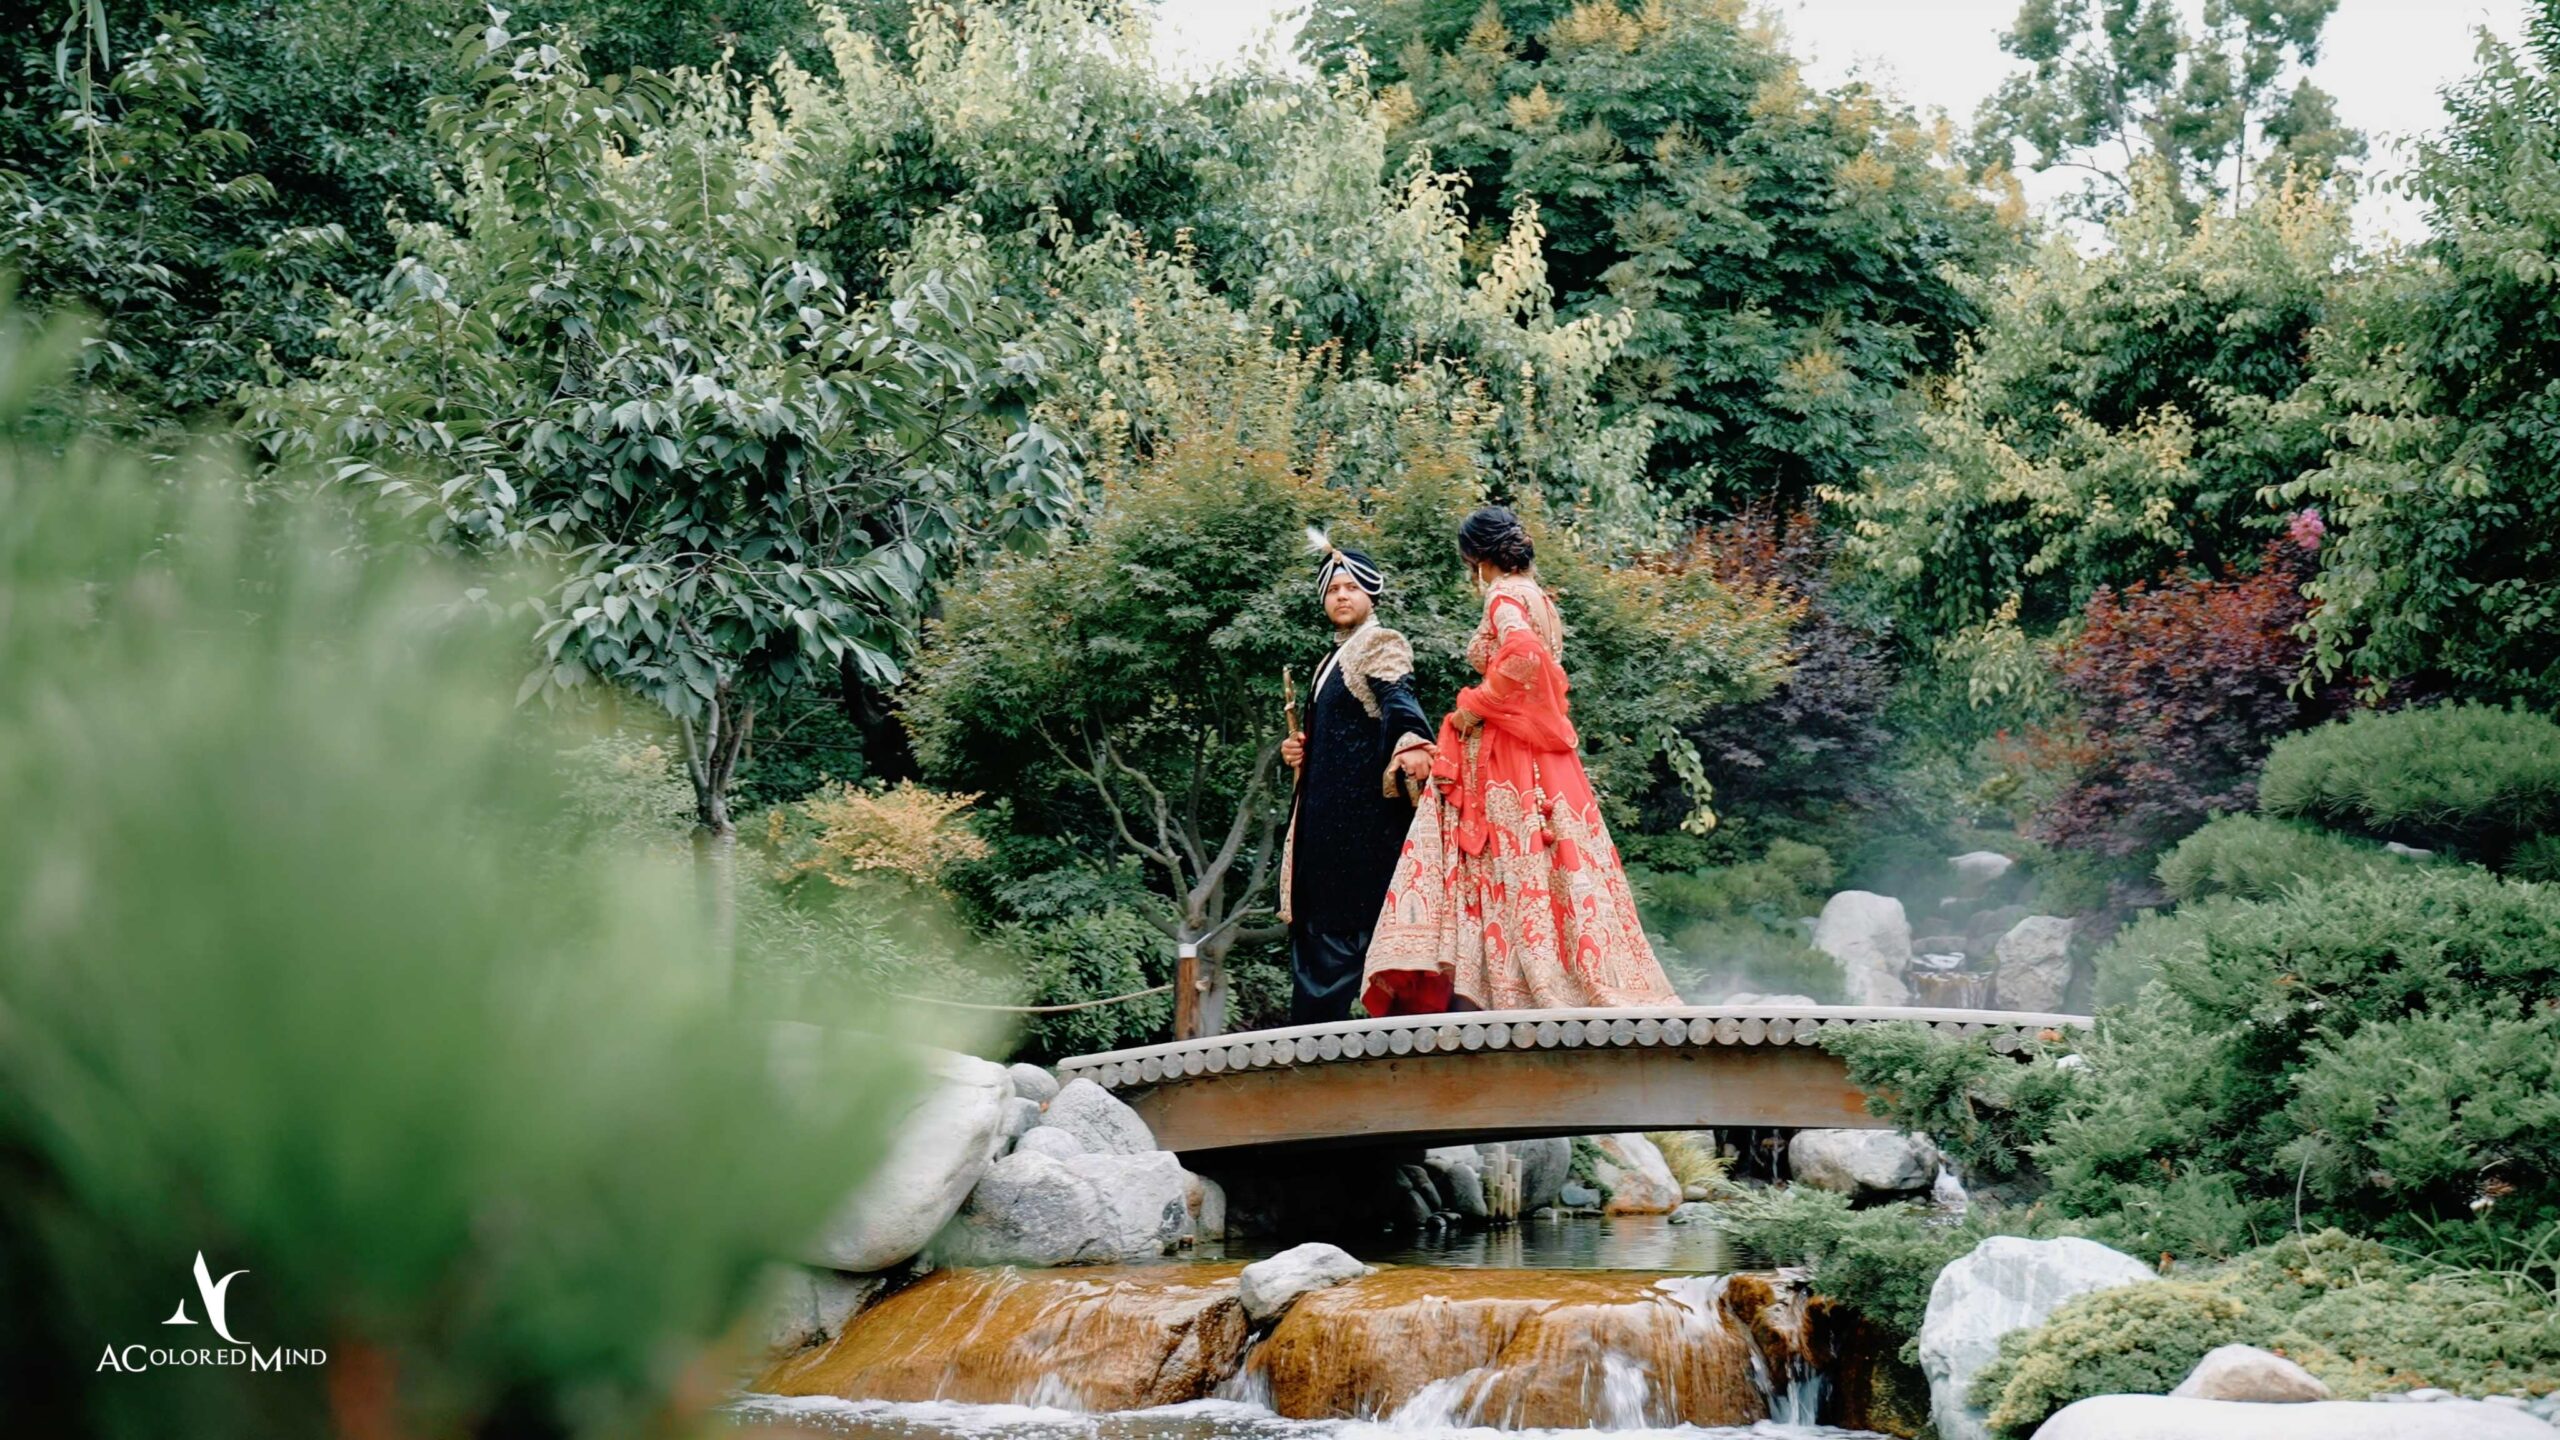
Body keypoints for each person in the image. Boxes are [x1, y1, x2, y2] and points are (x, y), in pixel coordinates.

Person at [1362, 506, 1680, 1015]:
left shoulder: (1503, 594)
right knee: (1557, 862)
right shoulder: (1542, 599)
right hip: (1545, 758)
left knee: (1512, 861)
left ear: (1477, 559)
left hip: (1510, 755)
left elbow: (1524, 654)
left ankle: (1511, 986)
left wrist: (1475, 705)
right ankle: (1567, 978)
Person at [1278, 540, 1438, 1024]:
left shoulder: (1380, 642)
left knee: (1348, 941)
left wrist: (1411, 740)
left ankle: (1315, 1059)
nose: (1341, 596)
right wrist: (1299, 752)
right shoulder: (1329, 660)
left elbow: (1398, 699)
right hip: (1325, 828)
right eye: (1332, 589)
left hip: (1362, 830)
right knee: (1322, 940)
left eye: (1351, 587)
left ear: (1372, 592)